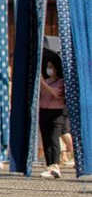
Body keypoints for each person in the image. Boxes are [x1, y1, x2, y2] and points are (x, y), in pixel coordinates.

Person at [39, 50, 69, 179]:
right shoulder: (46, 81)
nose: (49, 69)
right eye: (48, 67)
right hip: (44, 111)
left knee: (53, 138)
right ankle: (49, 165)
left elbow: (56, 94)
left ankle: (56, 165)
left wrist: (43, 83)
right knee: (46, 139)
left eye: (51, 67)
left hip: (57, 113)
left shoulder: (61, 82)